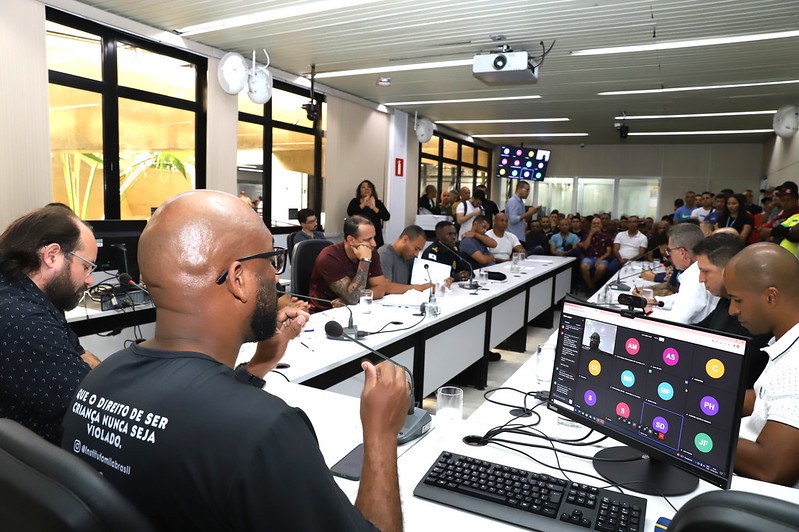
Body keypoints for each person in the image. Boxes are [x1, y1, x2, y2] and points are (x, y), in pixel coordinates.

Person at [61, 190, 409, 530]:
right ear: (239, 278)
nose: (276, 277)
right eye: (272, 261)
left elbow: (190, 425)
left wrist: (258, 366)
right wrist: (381, 434)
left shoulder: (98, 381)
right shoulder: (267, 430)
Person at [0, 205, 101, 444]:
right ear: (52, 255)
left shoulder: (26, 294)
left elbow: (79, 354)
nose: (90, 279)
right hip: (38, 467)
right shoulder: (23, 320)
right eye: (86, 266)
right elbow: (90, 404)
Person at [725, 243, 799, 487]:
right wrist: (704, 400)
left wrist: (689, 428)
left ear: (771, 296)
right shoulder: (786, 338)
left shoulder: (795, 366)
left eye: (737, 299)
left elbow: (772, 469)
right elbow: (765, 399)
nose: (732, 310)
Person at [693, 233, 769, 388]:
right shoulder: (725, 299)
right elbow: (698, 330)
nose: (701, 279)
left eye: (705, 271)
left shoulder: (754, 316)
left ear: (728, 270)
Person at [309, 215, 387, 312]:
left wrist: (349, 300)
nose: (374, 244)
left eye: (373, 238)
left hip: (353, 308)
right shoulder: (329, 258)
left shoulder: (370, 251)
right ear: (351, 240)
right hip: (325, 312)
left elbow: (380, 290)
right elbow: (353, 297)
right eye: (368, 239)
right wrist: (365, 261)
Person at [647, 223, 718, 324]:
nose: (668, 255)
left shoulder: (694, 275)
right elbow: (683, 298)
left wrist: (649, 312)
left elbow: (677, 320)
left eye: (669, 251)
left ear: (682, 252)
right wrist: (655, 301)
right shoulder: (701, 268)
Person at [378, 225, 435, 292]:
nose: (416, 254)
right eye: (416, 249)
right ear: (405, 239)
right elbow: (385, 287)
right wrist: (420, 288)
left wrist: (442, 282)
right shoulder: (385, 254)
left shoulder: (410, 257)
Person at [347, 180, 390, 248]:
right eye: (363, 187)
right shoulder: (355, 201)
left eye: (369, 187)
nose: (366, 189)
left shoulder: (377, 203)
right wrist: (364, 204)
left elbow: (386, 217)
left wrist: (374, 208)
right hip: (358, 235)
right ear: (360, 191)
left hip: (376, 237)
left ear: (372, 190)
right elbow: (350, 213)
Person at [578, 217, 615, 291]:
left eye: (598, 223)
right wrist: (591, 234)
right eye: (594, 223)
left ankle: (592, 283)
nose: (596, 225)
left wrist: (600, 259)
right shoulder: (587, 235)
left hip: (602, 258)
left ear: (601, 225)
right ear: (591, 225)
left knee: (601, 268)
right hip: (589, 257)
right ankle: (591, 286)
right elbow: (585, 247)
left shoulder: (607, 236)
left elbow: (608, 252)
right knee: (583, 266)